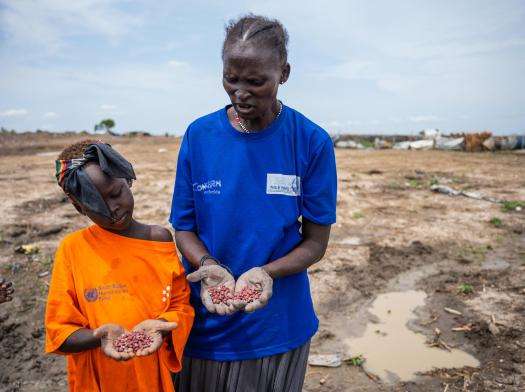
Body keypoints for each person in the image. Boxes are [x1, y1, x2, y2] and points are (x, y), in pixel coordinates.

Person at [170, 14, 337, 392]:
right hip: (206, 319)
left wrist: (267, 273)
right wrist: (209, 266)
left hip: (277, 324)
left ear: (284, 73)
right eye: (231, 79)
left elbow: (315, 242)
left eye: (256, 81)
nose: (240, 92)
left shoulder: (310, 141)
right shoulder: (199, 136)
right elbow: (184, 227)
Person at [45, 140, 194, 392]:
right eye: (96, 205)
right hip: (101, 379)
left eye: (115, 194)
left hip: (154, 374)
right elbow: (59, 329)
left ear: (128, 180)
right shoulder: (73, 250)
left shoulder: (158, 239)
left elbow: (180, 304)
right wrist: (98, 336)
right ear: (79, 207)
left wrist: (163, 325)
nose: (112, 209)